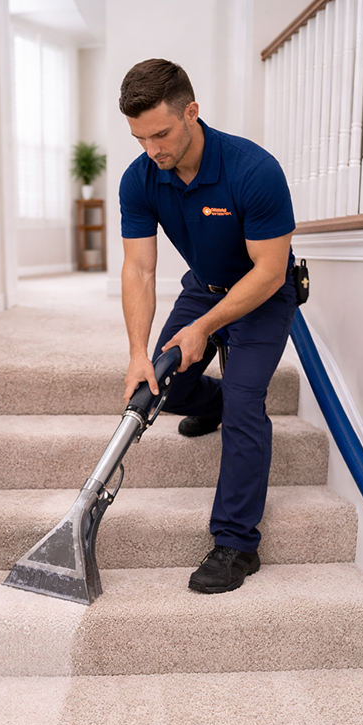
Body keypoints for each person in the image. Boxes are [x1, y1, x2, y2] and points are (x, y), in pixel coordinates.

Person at [118, 58, 297, 594]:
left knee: (246, 403)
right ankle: (211, 403)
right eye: (140, 138)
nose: (152, 149)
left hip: (263, 294)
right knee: (164, 389)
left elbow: (269, 272)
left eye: (161, 134)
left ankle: (237, 543)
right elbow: (139, 269)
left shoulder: (253, 170)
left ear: (191, 112)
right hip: (204, 288)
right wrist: (138, 352)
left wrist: (205, 328)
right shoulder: (140, 178)